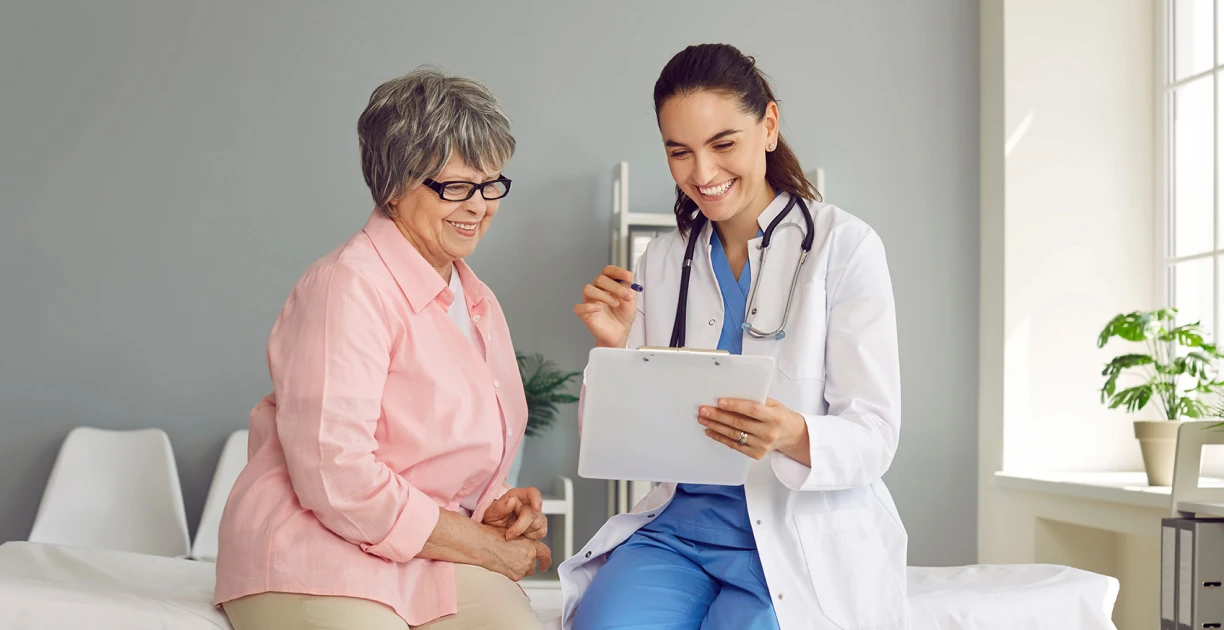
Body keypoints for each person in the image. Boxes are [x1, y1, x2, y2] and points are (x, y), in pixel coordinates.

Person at [562, 44, 910, 630]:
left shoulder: (844, 247)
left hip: (792, 534)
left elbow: (875, 434)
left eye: (723, 144)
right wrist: (613, 349)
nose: (702, 174)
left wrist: (792, 433)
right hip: (678, 534)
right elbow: (612, 444)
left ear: (768, 126)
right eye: (680, 152)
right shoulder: (662, 260)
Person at [213, 66, 550, 630]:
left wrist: (495, 507)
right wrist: (482, 547)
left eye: (491, 183)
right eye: (455, 187)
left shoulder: (478, 301)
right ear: (393, 186)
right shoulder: (347, 285)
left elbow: (436, 456)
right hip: (312, 554)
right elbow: (338, 475)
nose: (479, 206)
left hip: (418, 556)